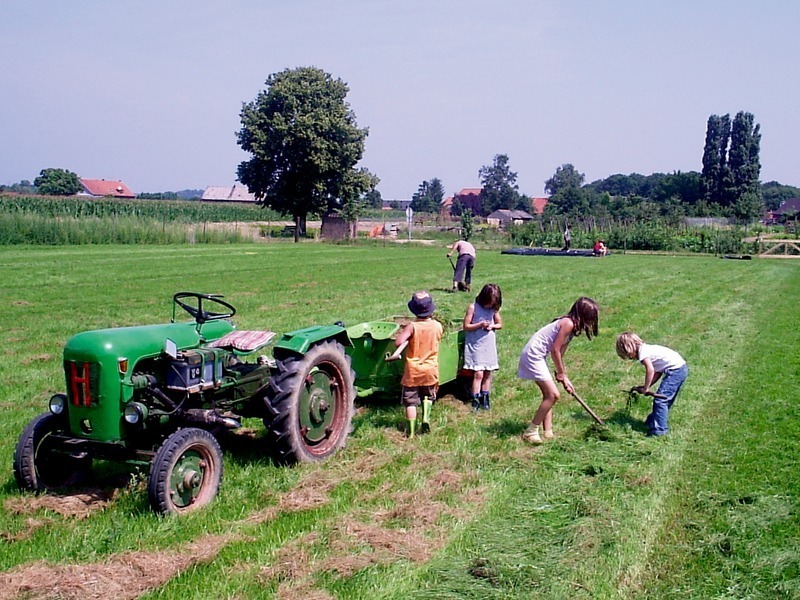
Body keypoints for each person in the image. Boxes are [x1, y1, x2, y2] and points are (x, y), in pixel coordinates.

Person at [517, 297, 599, 444]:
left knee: (549, 394)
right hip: (533, 355)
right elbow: (554, 350)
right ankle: (530, 431)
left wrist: (564, 378)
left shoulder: (572, 330)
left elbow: (560, 354)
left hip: (539, 356)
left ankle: (548, 432)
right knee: (553, 395)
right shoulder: (567, 323)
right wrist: (561, 373)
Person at [616, 332, 688, 437]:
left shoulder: (643, 354)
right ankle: (652, 422)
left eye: (628, 355)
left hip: (676, 371)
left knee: (661, 400)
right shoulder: (647, 349)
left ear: (629, 348)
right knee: (664, 400)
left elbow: (650, 370)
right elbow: (657, 372)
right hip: (680, 368)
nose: (630, 358)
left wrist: (645, 388)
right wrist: (647, 386)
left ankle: (660, 431)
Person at [395, 291, 444, 437]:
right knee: (428, 396)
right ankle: (425, 418)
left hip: (413, 370)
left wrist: (407, 336)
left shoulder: (412, 326)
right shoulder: (437, 326)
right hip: (430, 369)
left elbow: (398, 342)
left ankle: (410, 432)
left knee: (410, 401)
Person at [463, 283, 503, 411]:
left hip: (488, 344)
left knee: (487, 372)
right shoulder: (473, 307)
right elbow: (466, 326)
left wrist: (492, 326)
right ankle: (475, 399)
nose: (490, 306)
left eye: (492, 304)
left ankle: (485, 398)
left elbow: (499, 324)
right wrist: (479, 324)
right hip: (476, 344)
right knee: (478, 373)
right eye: (488, 303)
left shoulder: (493, 309)